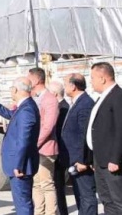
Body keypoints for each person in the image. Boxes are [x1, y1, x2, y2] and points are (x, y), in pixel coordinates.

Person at [0, 78, 40, 215]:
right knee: (22, 202)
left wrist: (18, 165)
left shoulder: (27, 109)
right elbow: (11, 115)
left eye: (11, 88)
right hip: (21, 164)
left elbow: (23, 140)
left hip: (21, 166)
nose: (10, 90)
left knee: (23, 204)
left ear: (15, 90)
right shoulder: (25, 106)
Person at [87, 62, 122, 215]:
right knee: (107, 200)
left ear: (102, 78)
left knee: (120, 202)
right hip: (100, 159)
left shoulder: (119, 97)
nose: (91, 81)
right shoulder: (101, 98)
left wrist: (115, 159)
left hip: (112, 161)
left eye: (93, 78)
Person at [60, 73, 98, 215]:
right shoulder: (77, 102)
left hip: (81, 162)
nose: (64, 87)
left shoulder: (85, 104)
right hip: (74, 159)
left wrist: (84, 161)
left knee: (87, 196)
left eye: (65, 84)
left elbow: (86, 135)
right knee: (80, 196)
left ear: (73, 86)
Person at [27, 67, 60, 215]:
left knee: (47, 184)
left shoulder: (50, 99)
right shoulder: (34, 97)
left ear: (37, 80)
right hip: (35, 149)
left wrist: (34, 143)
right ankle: (39, 212)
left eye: (29, 78)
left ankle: (51, 213)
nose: (27, 81)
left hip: (45, 149)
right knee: (36, 185)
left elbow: (48, 126)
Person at [47, 80, 69, 215]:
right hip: (59, 153)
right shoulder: (62, 106)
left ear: (54, 94)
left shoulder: (62, 109)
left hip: (59, 154)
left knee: (58, 188)